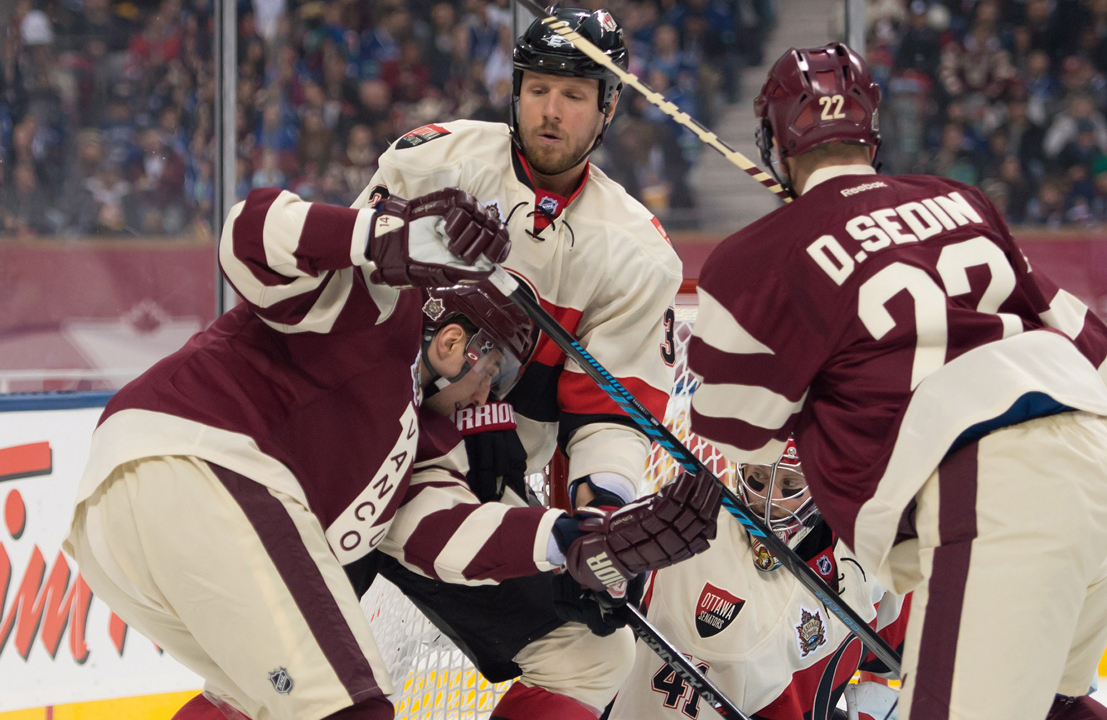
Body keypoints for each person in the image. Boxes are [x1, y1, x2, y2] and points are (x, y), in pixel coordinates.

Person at [62, 180, 720, 719]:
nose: (497, 395)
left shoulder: (421, 451)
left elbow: (446, 540)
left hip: (116, 533)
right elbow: (248, 233)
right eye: (500, 373)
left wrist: (573, 538)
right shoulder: (375, 305)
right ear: (455, 344)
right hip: (198, 463)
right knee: (352, 710)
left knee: (263, 701)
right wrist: (381, 237)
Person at [686, 43, 1107, 720]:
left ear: (773, 142)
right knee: (1052, 706)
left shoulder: (754, 256)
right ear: (871, 130)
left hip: (994, 486)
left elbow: (734, 430)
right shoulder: (960, 200)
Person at [348, 8, 699, 720]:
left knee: (591, 654)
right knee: (277, 664)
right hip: (352, 453)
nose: (550, 110)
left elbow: (611, 415)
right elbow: (346, 303)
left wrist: (601, 519)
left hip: (469, 488)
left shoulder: (635, 251)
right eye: (538, 88)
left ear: (607, 107)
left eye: (573, 95)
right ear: (514, 89)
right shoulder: (430, 161)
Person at [609, 439, 906, 720]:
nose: (769, 501)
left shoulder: (868, 560)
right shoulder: (692, 534)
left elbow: (915, 657)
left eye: (789, 484)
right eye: (757, 479)